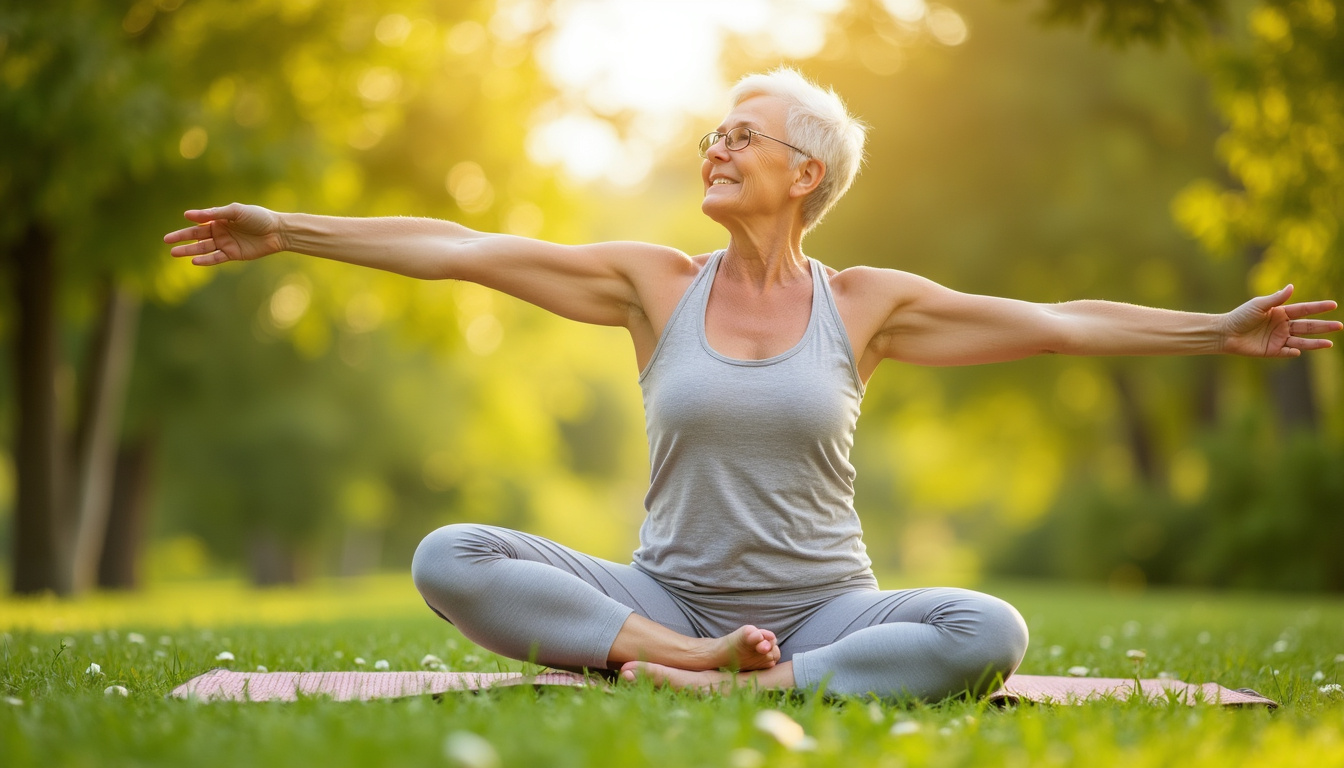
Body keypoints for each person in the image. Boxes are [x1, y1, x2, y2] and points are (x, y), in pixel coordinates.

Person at [165, 68, 1340, 700]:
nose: (714, 149)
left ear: (804, 168)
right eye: (712, 137)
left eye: (741, 136)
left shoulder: (867, 303)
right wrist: (290, 234)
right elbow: (462, 248)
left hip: (830, 606)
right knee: (445, 556)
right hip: (664, 596)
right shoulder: (653, 285)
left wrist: (1214, 331)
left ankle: (747, 684)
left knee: (991, 628)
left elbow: (1059, 327)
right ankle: (680, 661)